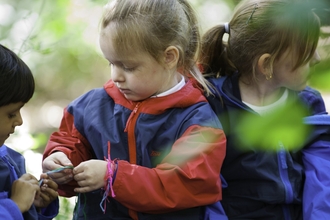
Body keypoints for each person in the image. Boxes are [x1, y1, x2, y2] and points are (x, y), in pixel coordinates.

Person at [42, 0, 227, 219]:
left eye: (128, 67)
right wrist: (61, 158)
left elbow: (183, 184)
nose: (115, 76)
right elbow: (71, 140)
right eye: (111, 63)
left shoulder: (197, 122)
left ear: (169, 57)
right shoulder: (92, 106)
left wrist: (113, 176)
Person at [198, 0, 330, 219]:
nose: (316, 58)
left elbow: (323, 179)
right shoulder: (214, 106)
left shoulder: (307, 105)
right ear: (266, 65)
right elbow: (207, 187)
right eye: (306, 53)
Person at [0, 44, 59, 220]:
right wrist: (15, 205)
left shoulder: (11, 160)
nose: (19, 121)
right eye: (11, 114)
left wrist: (35, 205)